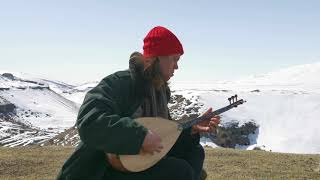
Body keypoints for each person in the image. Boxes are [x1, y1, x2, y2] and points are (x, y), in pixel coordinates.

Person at [56, 26, 220, 180]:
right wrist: (139, 136)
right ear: (157, 58)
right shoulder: (121, 83)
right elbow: (89, 121)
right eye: (174, 59)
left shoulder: (161, 90)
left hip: (138, 161)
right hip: (104, 167)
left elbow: (162, 133)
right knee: (179, 171)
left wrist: (192, 128)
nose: (176, 67)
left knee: (194, 153)